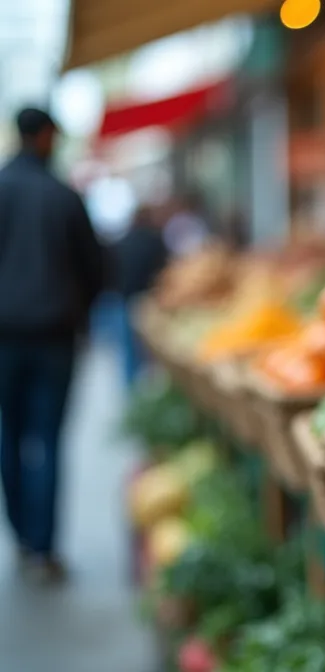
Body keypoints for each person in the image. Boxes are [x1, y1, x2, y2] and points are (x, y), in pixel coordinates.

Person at [0, 108, 106, 582]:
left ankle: (23, 539)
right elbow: (98, 269)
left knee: (9, 436)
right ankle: (43, 548)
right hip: (55, 338)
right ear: (44, 136)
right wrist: (77, 307)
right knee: (48, 439)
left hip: (5, 339)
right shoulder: (63, 196)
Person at [111, 207, 168, 386]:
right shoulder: (155, 241)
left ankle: (131, 387)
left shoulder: (123, 242)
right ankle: (149, 387)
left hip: (127, 298)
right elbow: (163, 272)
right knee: (151, 351)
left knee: (129, 350)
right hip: (150, 300)